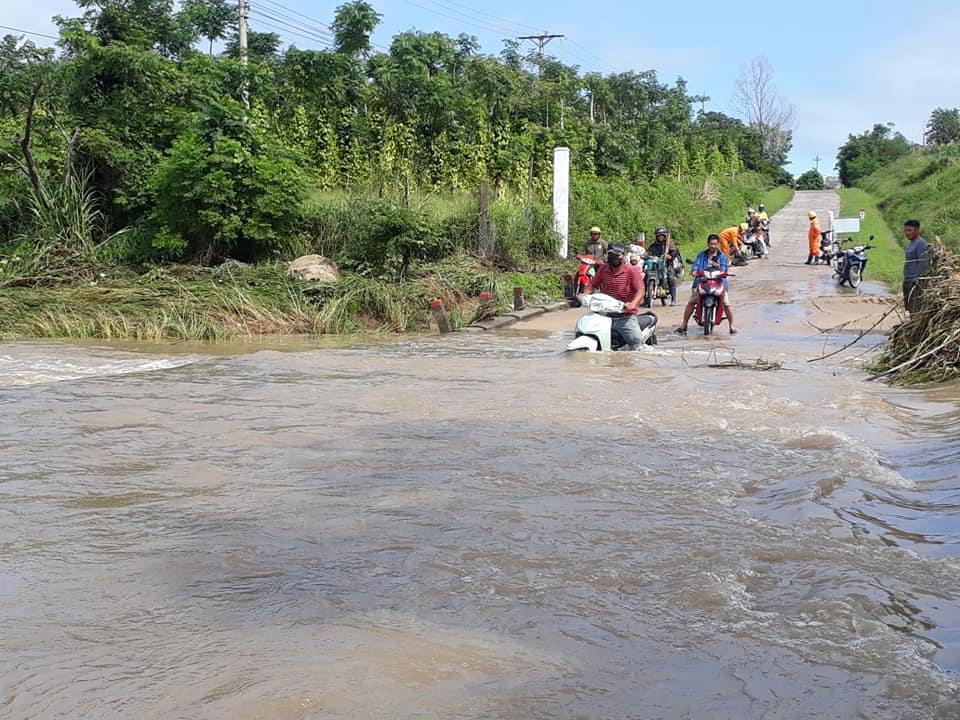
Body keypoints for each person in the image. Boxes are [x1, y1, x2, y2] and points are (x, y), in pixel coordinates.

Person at [586, 243, 649, 349]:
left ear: (623, 256)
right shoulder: (603, 269)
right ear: (607, 255)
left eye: (617, 255)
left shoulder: (632, 270)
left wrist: (633, 303)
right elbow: (592, 285)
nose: (615, 257)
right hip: (604, 315)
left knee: (637, 346)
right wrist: (585, 295)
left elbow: (640, 289)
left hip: (625, 316)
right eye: (611, 254)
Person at [677, 234, 738, 335]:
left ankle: (732, 325)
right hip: (702, 282)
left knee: (726, 303)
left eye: (715, 244)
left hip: (719, 282)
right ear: (708, 244)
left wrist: (719, 266)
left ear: (718, 244)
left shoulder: (722, 256)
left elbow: (725, 269)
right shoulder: (702, 255)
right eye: (711, 244)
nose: (713, 246)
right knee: (692, 301)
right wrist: (694, 271)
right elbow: (696, 265)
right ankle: (684, 324)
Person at [648, 227, 681, 305]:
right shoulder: (654, 245)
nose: (660, 237)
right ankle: (647, 298)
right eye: (659, 236)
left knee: (671, 278)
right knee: (646, 275)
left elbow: (674, 252)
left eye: (662, 236)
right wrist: (647, 254)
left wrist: (669, 256)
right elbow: (649, 252)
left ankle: (673, 299)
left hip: (667, 264)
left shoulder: (669, 244)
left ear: (665, 236)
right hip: (656, 265)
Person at [902, 219, 929, 313]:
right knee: (909, 308)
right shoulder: (911, 244)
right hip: (907, 280)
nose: (907, 233)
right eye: (905, 230)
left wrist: (917, 279)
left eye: (910, 230)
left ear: (917, 231)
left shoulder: (921, 244)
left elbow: (923, 263)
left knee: (915, 308)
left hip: (914, 283)